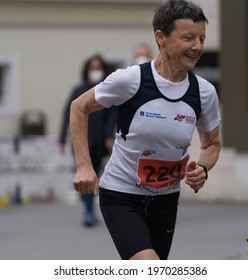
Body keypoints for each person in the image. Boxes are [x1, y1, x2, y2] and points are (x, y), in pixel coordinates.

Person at [70, 0, 221, 260]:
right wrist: (84, 166)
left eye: (202, 38)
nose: (197, 46)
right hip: (121, 195)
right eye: (188, 38)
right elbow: (78, 107)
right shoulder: (131, 80)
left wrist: (203, 168)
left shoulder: (204, 92)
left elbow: (211, 144)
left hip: (166, 200)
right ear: (160, 37)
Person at [58, 54, 116, 227]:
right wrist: (61, 138)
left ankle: (90, 208)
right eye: (93, 67)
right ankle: (88, 208)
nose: (95, 71)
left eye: (99, 67)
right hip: (81, 140)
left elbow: (112, 115)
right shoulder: (79, 90)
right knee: (83, 173)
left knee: (95, 173)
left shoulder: (107, 91)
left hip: (99, 140)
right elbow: (67, 114)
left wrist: (108, 136)